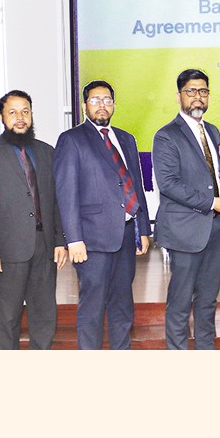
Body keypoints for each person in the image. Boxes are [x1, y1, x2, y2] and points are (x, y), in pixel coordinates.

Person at [53, 80, 151, 349]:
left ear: (114, 104)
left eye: (107, 100)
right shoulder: (71, 139)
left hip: (126, 236)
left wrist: (143, 229)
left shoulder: (126, 139)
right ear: (84, 105)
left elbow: (135, 185)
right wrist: (73, 239)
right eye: (95, 100)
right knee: (92, 308)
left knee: (122, 305)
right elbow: (66, 193)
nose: (102, 105)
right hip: (91, 240)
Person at [0, 90, 67, 349]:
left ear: (32, 114)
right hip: (6, 252)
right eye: (12, 112)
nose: (20, 117)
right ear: (1, 117)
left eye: (25, 111)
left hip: (44, 247)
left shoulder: (47, 152)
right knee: (7, 318)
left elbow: (55, 201)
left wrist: (60, 241)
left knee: (44, 315)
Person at [152, 69, 220, 349]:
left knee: (208, 299)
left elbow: (212, 176)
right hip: (184, 232)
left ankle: (205, 351)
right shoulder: (166, 135)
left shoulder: (212, 131)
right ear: (179, 96)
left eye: (203, 91)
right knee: (180, 300)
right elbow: (169, 184)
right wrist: (211, 203)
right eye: (191, 91)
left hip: (215, 228)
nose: (197, 97)